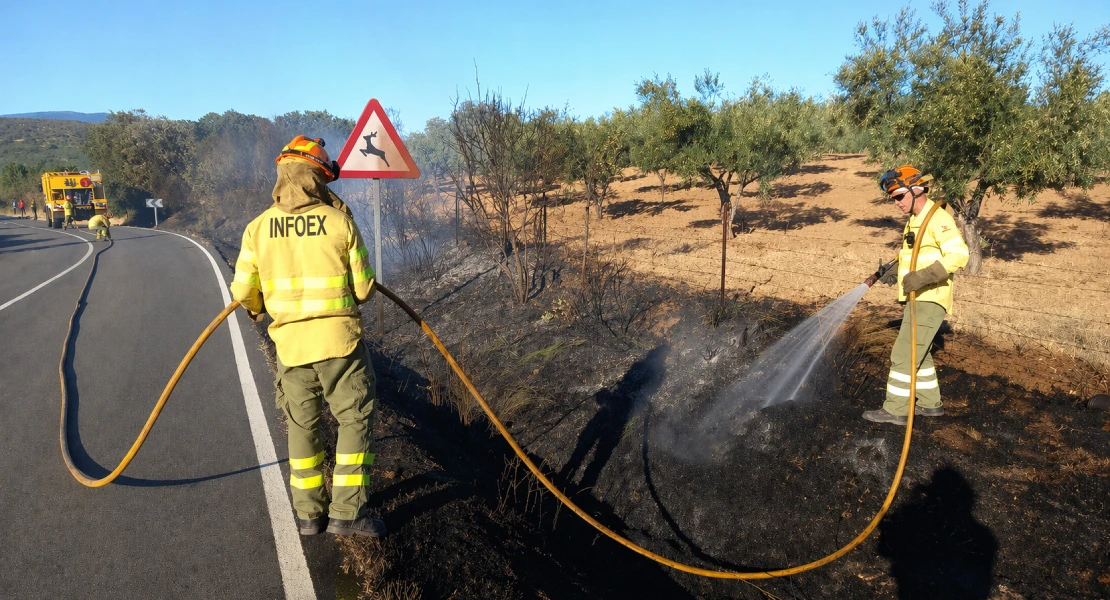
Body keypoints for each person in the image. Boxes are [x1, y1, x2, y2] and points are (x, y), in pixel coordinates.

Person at [231, 135, 385, 538]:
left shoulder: (257, 229)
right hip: (341, 347)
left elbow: (245, 292)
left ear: (283, 174)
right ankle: (347, 516)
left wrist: (258, 307)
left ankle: (309, 517)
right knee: (353, 421)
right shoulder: (340, 222)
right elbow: (365, 289)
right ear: (319, 177)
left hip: (292, 347)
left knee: (302, 426)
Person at [864, 165, 970, 424]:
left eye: (899, 196)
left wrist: (922, 277)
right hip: (918, 297)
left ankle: (896, 409)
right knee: (919, 353)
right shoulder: (916, 219)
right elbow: (916, 255)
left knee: (903, 354)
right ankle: (931, 405)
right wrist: (895, 270)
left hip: (930, 297)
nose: (896, 202)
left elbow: (959, 255)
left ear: (917, 189)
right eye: (893, 198)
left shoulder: (937, 218)